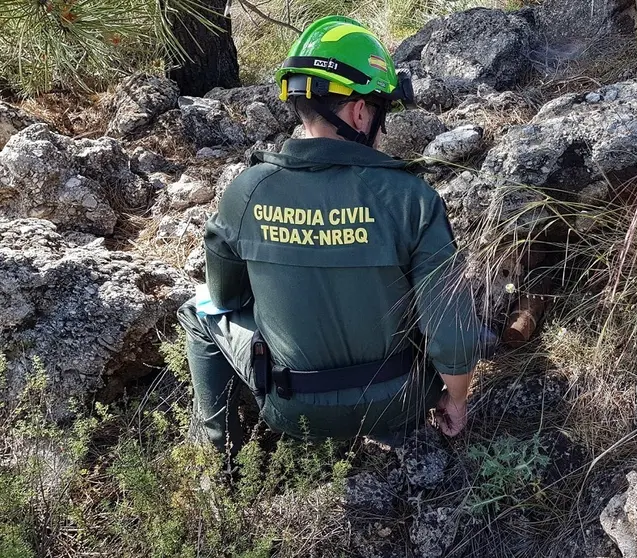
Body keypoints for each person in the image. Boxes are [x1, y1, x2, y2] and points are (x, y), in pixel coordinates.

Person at [176, 15, 482, 459]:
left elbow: (225, 297)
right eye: (382, 111)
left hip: (290, 407)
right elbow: (451, 334)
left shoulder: (247, 191)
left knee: (197, 312)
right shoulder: (411, 198)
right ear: (360, 111)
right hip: (401, 400)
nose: (383, 127)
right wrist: (454, 399)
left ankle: (223, 459)